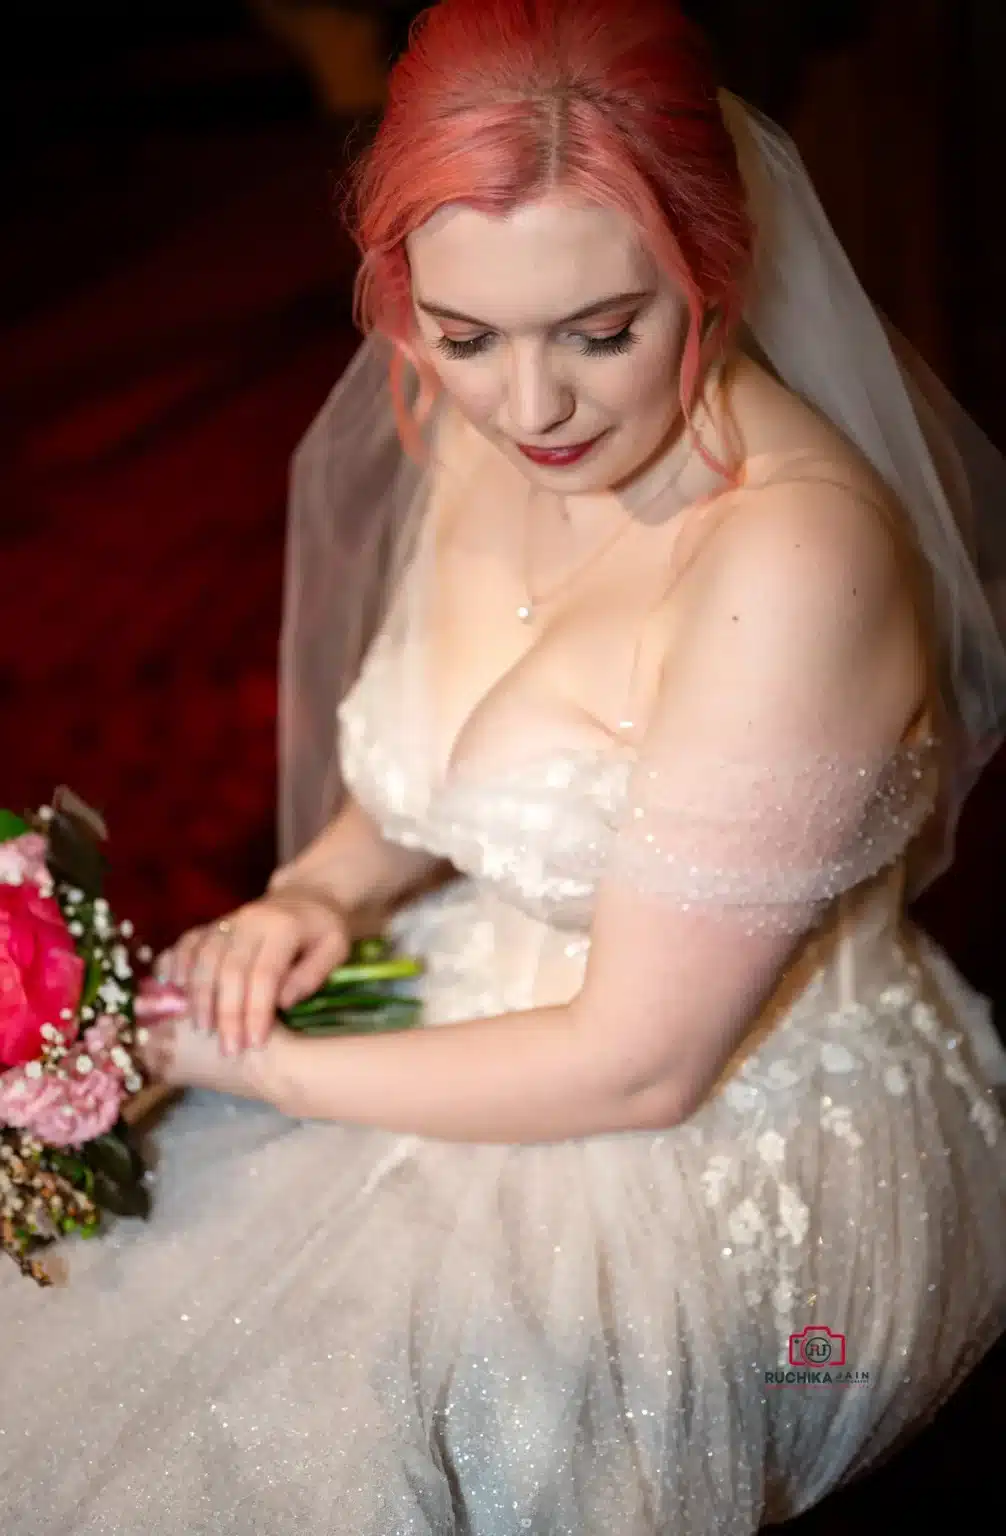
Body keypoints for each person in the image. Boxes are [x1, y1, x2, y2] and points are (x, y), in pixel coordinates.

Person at [3, 2, 1006, 1531]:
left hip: (708, 1133)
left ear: (714, 270)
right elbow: (434, 768)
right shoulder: (492, 420)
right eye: (463, 335)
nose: (530, 407)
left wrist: (234, 1061)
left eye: (605, 331)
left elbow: (641, 1065)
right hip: (463, 998)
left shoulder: (790, 562)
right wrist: (322, 893)